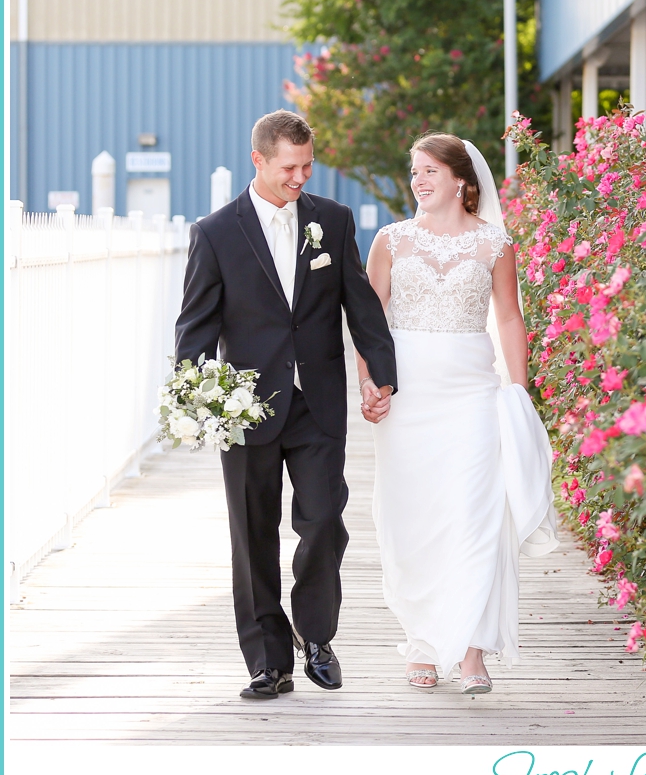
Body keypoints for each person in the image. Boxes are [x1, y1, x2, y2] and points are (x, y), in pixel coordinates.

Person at [175, 110, 398, 699]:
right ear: (259, 160)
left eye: (308, 165)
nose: (301, 177)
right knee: (252, 535)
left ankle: (318, 637)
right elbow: (194, 330)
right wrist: (196, 397)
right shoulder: (216, 232)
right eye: (289, 167)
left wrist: (382, 376)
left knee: (323, 519)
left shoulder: (334, 220)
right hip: (246, 406)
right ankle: (268, 662)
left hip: (318, 401)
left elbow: (362, 307)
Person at [357, 132, 558, 694]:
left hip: (472, 391)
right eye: (414, 171)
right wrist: (370, 384)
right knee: (414, 516)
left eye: (429, 172)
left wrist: (519, 392)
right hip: (407, 396)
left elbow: (511, 319)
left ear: (461, 181)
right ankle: (421, 640)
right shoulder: (391, 241)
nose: (418, 181)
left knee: (476, 514)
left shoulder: (495, 244)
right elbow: (368, 322)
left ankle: (472, 650)